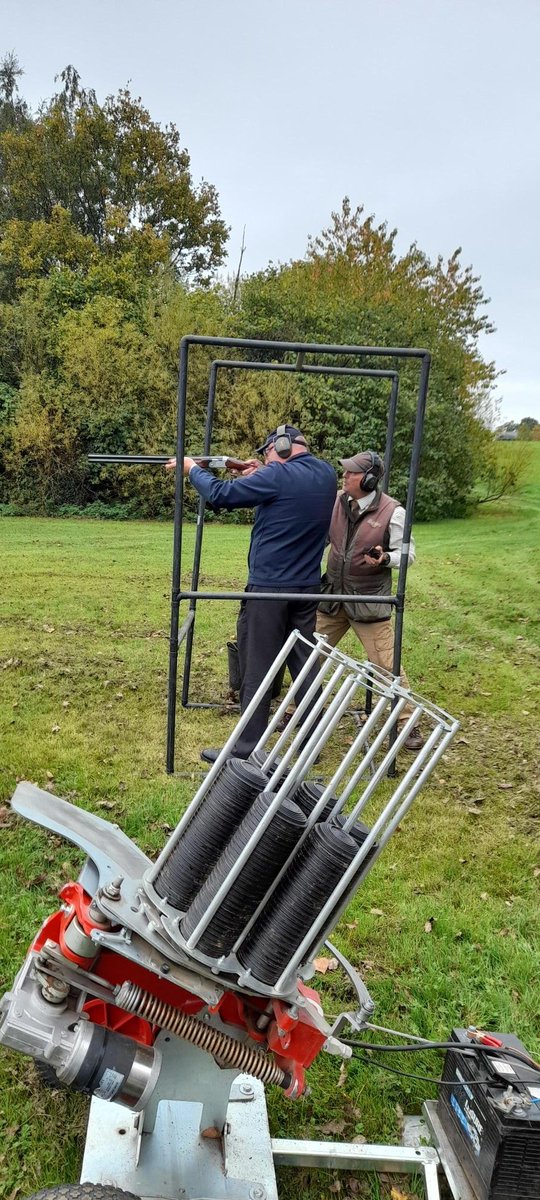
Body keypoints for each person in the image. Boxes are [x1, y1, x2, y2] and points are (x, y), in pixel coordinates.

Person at [166, 425, 337, 760]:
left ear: (282, 447)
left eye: (267, 453)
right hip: (306, 587)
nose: (265, 459)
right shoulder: (325, 474)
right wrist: (260, 472)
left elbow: (221, 496)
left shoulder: (277, 475)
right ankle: (310, 746)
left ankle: (246, 749)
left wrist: (193, 470)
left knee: (257, 667)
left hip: (269, 589)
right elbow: (286, 496)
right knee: (304, 667)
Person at [317, 449, 424, 750]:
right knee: (310, 654)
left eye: (352, 472)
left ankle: (406, 721)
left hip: (368, 600)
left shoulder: (393, 511)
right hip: (333, 596)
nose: (345, 476)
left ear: (370, 479)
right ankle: (294, 709)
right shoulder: (336, 502)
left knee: (386, 664)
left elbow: (408, 555)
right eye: (346, 471)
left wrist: (386, 557)